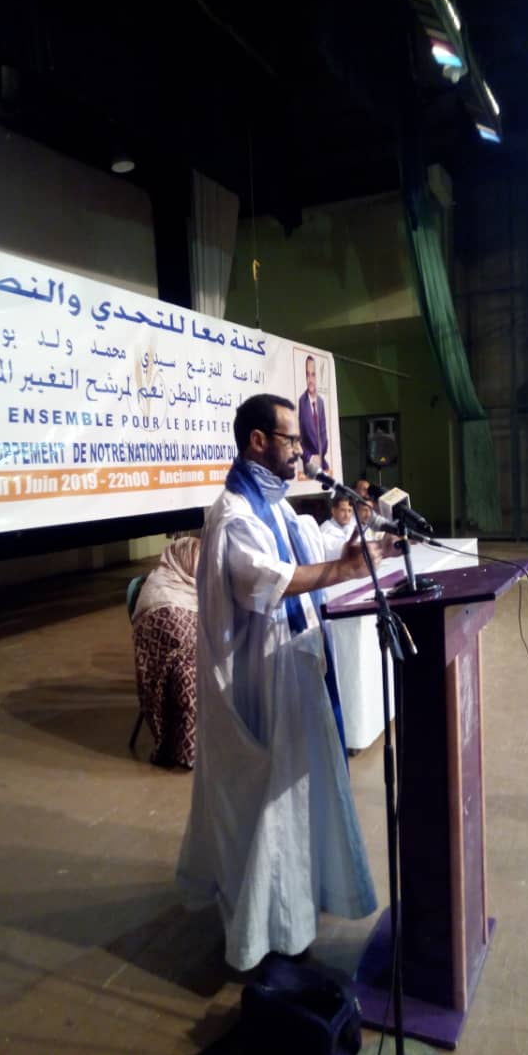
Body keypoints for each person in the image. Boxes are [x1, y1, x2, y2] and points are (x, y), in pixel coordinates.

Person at [177, 393, 397, 972]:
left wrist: (355, 546)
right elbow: (265, 581)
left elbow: (310, 548)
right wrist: (344, 567)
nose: (301, 449)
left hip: (297, 670)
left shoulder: (275, 506)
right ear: (257, 441)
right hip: (264, 683)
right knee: (273, 813)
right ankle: (265, 935)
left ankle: (298, 908)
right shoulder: (234, 515)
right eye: (291, 439)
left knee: (301, 803)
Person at [131, 536, 200, 769]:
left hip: (194, 653)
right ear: (183, 560)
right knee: (191, 676)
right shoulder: (161, 591)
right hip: (165, 665)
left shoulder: (189, 585)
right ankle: (186, 751)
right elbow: (177, 638)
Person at [298, 354, 329, 469]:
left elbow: (323, 435)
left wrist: (320, 457)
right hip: (309, 465)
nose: (310, 380)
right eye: (307, 375)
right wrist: (310, 457)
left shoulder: (321, 402)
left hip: (322, 463)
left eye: (313, 375)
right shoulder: (301, 402)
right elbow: (298, 439)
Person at [319, 493, 355, 561]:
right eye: (343, 510)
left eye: (349, 511)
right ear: (333, 511)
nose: (347, 515)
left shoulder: (352, 526)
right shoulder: (325, 530)